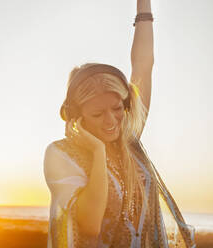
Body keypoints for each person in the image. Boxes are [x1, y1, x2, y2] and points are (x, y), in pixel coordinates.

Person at [43, 0, 196, 247]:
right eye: (97, 113)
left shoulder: (129, 142)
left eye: (117, 109)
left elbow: (143, 67)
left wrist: (143, 6)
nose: (111, 121)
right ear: (76, 115)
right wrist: (97, 151)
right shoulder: (61, 155)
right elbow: (90, 225)